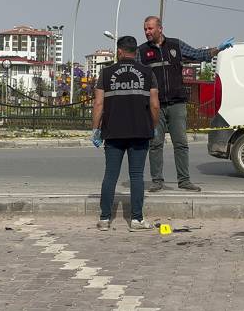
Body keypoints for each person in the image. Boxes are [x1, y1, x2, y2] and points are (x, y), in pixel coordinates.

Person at [137, 16, 233, 193]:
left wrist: (218, 48)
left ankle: (184, 181)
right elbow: (135, 76)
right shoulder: (141, 52)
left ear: (160, 28)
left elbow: (199, 54)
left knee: (181, 143)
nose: (147, 32)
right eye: (145, 29)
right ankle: (157, 181)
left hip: (177, 104)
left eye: (150, 29)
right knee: (155, 144)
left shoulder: (176, 45)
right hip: (155, 106)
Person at [92, 36, 160, 231]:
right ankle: (136, 220)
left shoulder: (106, 73)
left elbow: (98, 104)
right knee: (137, 175)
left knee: (110, 175)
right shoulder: (148, 73)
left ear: (119, 52)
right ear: (136, 52)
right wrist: (153, 125)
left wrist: (96, 129)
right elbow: (155, 105)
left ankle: (105, 219)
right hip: (140, 131)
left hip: (113, 132)